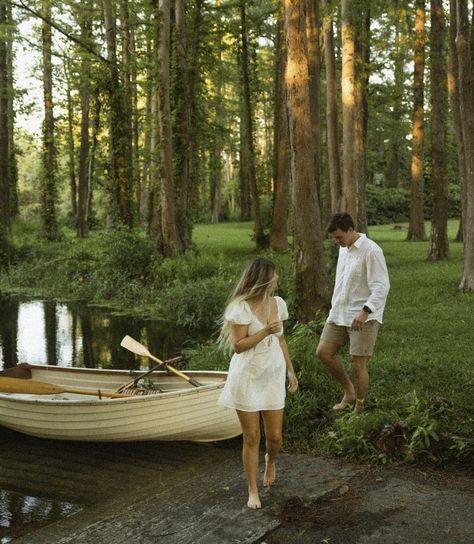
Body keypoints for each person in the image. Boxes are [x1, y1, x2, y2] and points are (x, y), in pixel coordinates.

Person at [218, 258, 298, 510]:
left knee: (275, 438)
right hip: (247, 377)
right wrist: (264, 332)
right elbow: (238, 346)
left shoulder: (278, 304)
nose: (276, 280)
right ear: (265, 278)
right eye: (273, 275)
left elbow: (282, 340)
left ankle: (270, 460)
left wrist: (291, 372)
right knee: (251, 437)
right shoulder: (240, 308)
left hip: (272, 376)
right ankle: (252, 490)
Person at [316, 212, 390, 414]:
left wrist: (366, 311)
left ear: (351, 230)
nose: (336, 241)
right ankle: (349, 392)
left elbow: (382, 286)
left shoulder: (371, 251)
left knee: (357, 364)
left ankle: (359, 408)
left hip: (363, 316)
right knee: (323, 352)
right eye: (333, 238)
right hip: (339, 313)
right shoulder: (344, 249)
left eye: (339, 236)